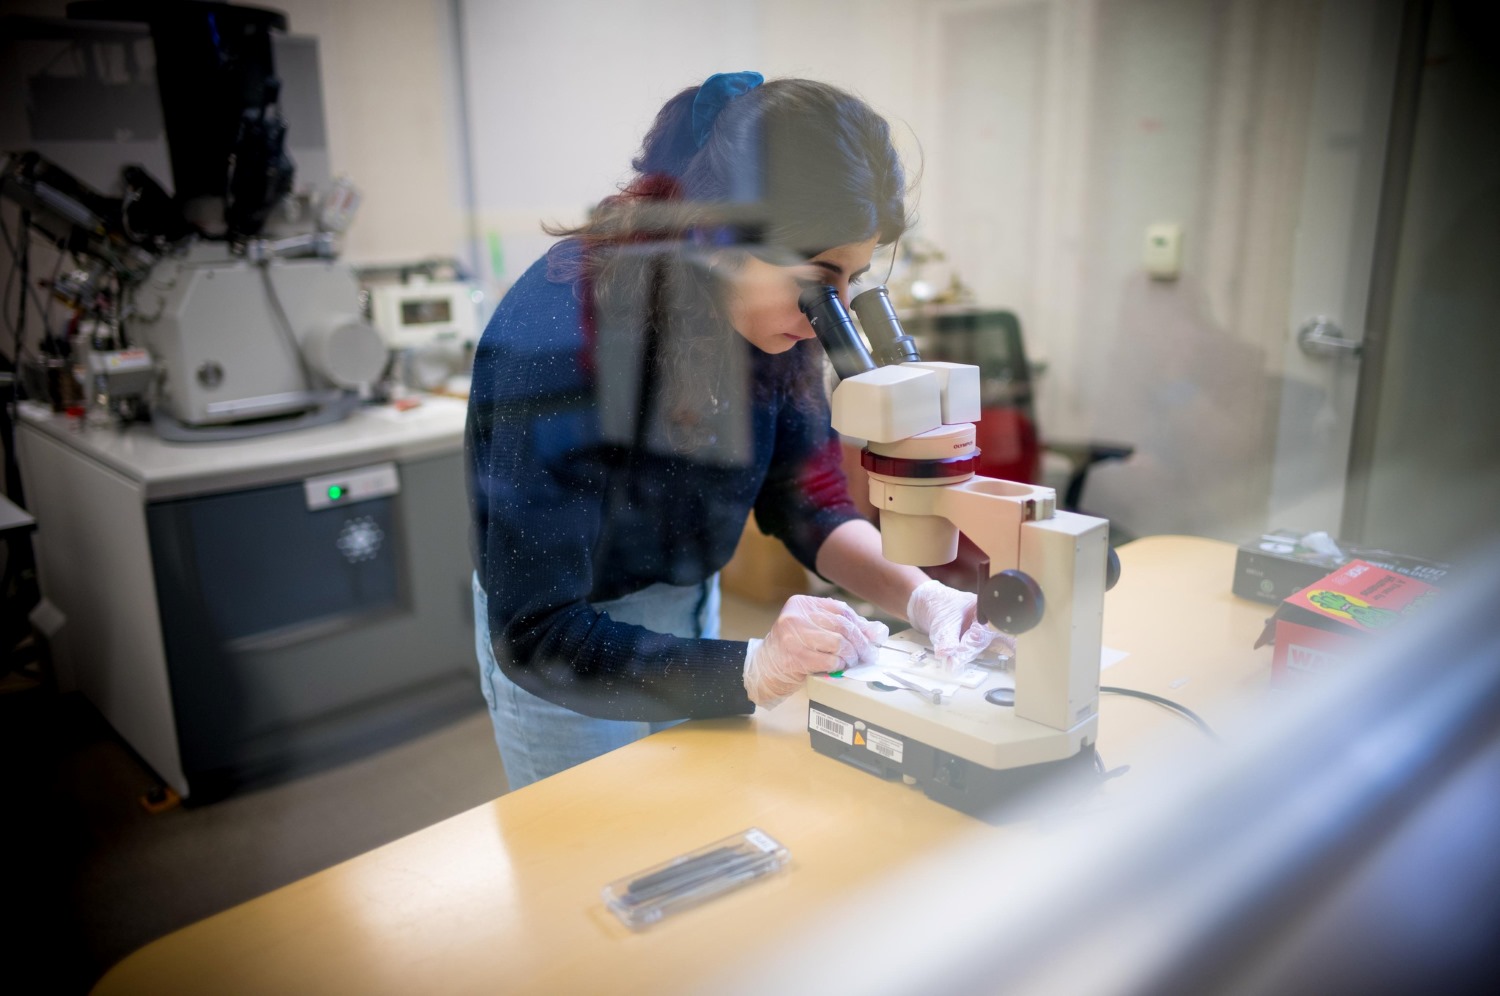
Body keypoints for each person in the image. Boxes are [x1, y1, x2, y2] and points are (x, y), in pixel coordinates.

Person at [466, 72, 1001, 790]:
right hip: (569, 639)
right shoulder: (559, 333)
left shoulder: (772, 324)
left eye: (854, 278)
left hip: (690, 605)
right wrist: (751, 667)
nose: (833, 310)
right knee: (593, 867)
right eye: (820, 278)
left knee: (698, 827)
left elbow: (804, 497)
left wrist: (923, 595)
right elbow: (535, 632)